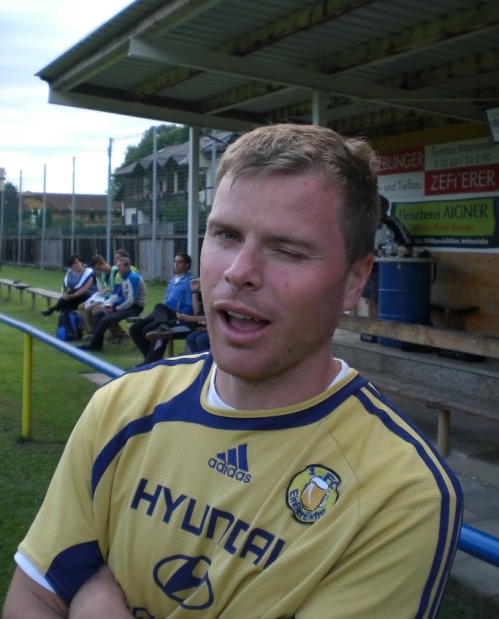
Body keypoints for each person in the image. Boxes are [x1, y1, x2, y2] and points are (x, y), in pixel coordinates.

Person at [3, 124, 463, 619]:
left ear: (355, 280)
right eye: (225, 235)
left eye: (288, 249)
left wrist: (97, 608)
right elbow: (35, 597)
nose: (239, 270)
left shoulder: (400, 492)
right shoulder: (122, 406)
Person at [129, 253, 195, 365]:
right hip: (163, 314)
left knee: (158, 310)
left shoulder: (190, 281)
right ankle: (150, 361)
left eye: (179, 262)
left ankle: (150, 362)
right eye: (175, 261)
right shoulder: (172, 280)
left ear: (187, 265)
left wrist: (179, 315)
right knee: (135, 329)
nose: (176, 264)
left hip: (177, 315)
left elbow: (190, 307)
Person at [360, 194, 414, 322]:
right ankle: (372, 327)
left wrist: (404, 254)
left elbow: (408, 241)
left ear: (384, 210)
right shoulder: (364, 221)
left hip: (383, 266)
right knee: (370, 299)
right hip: (365, 265)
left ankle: (380, 326)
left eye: (378, 209)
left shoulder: (391, 222)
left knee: (378, 299)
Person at [77, 257, 146, 352]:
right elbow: (117, 295)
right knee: (98, 314)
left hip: (135, 307)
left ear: (127, 267)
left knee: (104, 320)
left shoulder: (133, 278)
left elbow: (130, 301)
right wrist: (106, 305)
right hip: (126, 306)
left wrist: (114, 309)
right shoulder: (123, 277)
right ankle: (97, 343)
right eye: (117, 266)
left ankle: (94, 345)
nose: (118, 268)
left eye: (120, 266)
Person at [77, 254, 118, 334]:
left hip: (112, 299)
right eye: (97, 269)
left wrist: (106, 290)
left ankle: (95, 332)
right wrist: (99, 294)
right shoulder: (103, 275)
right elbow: (104, 289)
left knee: (89, 309)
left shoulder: (115, 271)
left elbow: (118, 289)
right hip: (103, 298)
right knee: (81, 307)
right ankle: (90, 330)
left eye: (99, 268)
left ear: (103, 263)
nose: (99, 271)